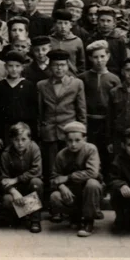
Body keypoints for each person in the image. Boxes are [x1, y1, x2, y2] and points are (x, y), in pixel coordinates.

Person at [37, 49, 87, 199]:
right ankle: (54, 205)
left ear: (67, 66)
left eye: (63, 65)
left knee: (69, 167)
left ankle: (69, 200)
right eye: (55, 65)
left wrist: (83, 134)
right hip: (50, 132)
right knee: (51, 168)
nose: (59, 68)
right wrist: (41, 131)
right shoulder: (41, 85)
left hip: (70, 133)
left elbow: (81, 110)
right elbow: (40, 112)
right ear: (50, 67)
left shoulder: (77, 83)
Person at [78, 40, 121, 182]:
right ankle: (91, 181)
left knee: (106, 153)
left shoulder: (114, 79)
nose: (99, 60)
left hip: (106, 123)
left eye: (102, 56)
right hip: (89, 122)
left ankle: (107, 183)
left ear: (108, 56)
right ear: (90, 58)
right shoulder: (83, 78)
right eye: (95, 57)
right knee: (88, 152)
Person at [50, 121, 102, 237]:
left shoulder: (91, 150)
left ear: (84, 139)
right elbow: (54, 177)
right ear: (65, 141)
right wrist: (61, 186)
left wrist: (68, 178)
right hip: (73, 192)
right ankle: (75, 216)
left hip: (89, 192)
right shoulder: (61, 155)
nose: (73, 144)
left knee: (92, 183)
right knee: (55, 197)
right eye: (70, 140)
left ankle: (89, 221)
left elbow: (92, 172)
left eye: (77, 140)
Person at [0, 123, 44, 233]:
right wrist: (13, 191)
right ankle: (26, 213)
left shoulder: (34, 148)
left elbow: (37, 171)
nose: (20, 143)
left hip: (30, 187)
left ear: (29, 139)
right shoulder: (6, 154)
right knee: (6, 201)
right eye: (16, 140)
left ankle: (35, 220)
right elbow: (3, 178)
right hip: (16, 190)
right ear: (11, 140)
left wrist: (17, 179)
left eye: (24, 139)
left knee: (36, 182)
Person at [0, 51, 38, 145]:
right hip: (6, 129)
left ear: (22, 67)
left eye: (17, 66)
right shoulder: (0, 86)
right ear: (5, 67)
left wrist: (32, 134)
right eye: (10, 66)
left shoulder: (28, 85)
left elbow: (33, 111)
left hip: (24, 129)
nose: (14, 69)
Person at [87, 6, 128, 76]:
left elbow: (123, 61)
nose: (105, 24)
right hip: (95, 74)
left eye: (108, 21)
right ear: (98, 21)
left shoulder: (118, 40)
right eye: (102, 20)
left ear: (114, 23)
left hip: (115, 74)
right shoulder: (92, 39)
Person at [49, 9, 85, 74]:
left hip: (72, 76)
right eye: (60, 23)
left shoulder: (77, 41)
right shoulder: (49, 40)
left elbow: (81, 63)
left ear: (70, 25)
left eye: (66, 23)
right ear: (55, 25)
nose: (63, 27)